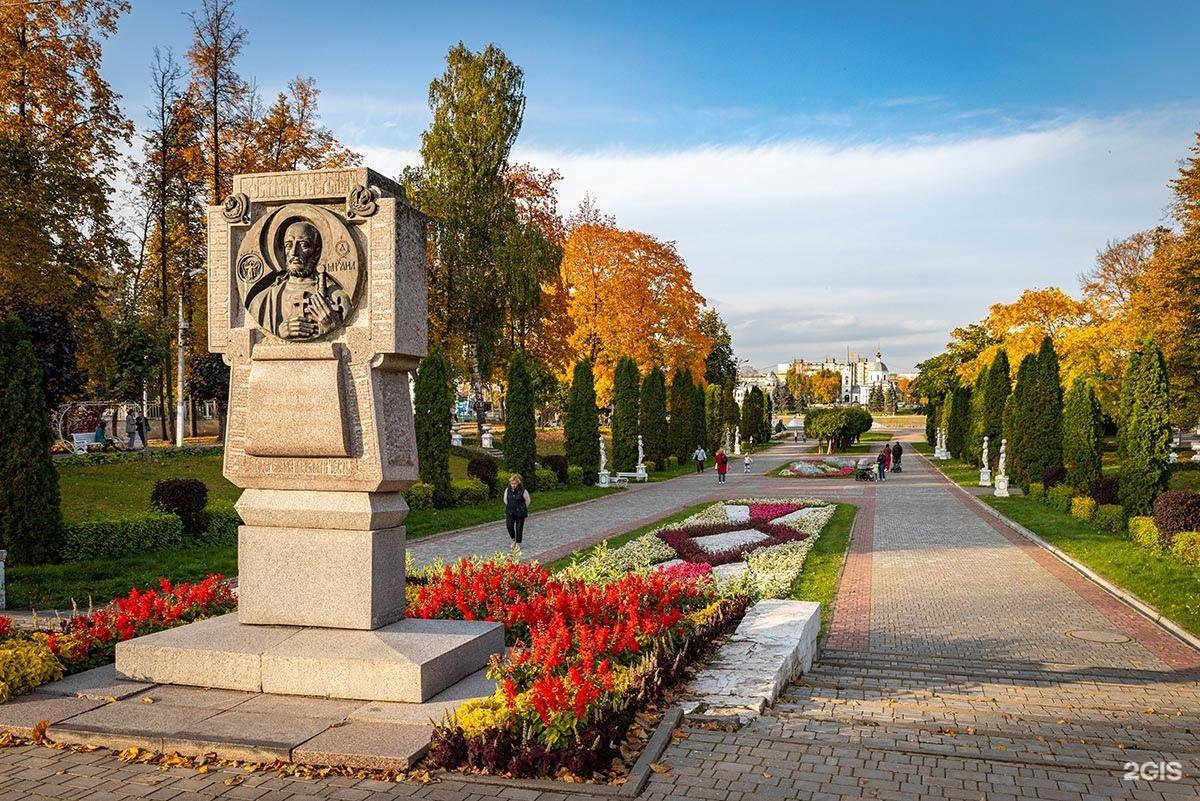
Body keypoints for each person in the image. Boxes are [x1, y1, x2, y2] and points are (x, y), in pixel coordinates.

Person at [247, 220, 351, 340]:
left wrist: (332, 325)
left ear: (317, 253)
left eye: (303, 245)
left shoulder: (337, 298)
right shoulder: (263, 301)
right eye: (289, 245)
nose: (294, 252)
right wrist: (279, 332)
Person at [503, 473, 531, 545]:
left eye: (515, 483)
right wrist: (510, 506)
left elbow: (528, 501)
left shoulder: (523, 490)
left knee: (519, 527)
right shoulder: (507, 490)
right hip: (510, 511)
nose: (513, 485)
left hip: (520, 511)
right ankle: (513, 539)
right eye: (512, 483)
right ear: (510, 483)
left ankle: (518, 543)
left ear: (518, 483)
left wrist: (522, 507)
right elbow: (505, 500)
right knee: (509, 526)